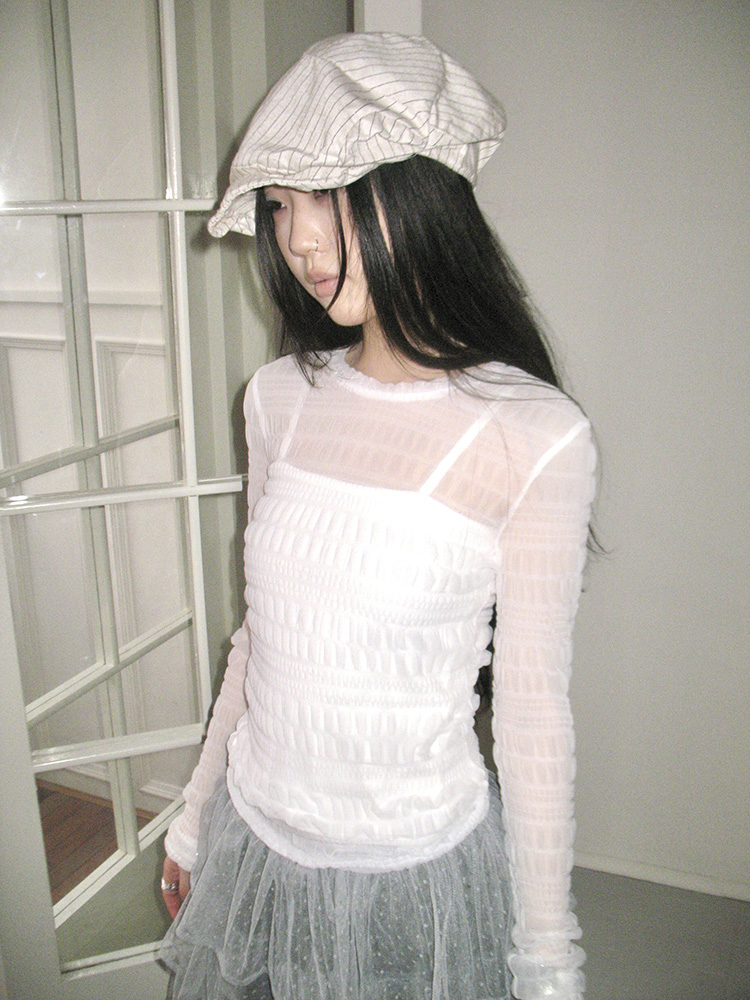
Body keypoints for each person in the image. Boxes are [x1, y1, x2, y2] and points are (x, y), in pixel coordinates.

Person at [159, 32, 595, 1000]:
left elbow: (531, 713)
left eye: (324, 193)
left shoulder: (534, 433)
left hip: (410, 872)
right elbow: (259, 643)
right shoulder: (278, 396)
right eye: (278, 204)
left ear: (420, 194)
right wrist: (192, 821)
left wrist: (547, 956)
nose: (297, 240)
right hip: (254, 839)